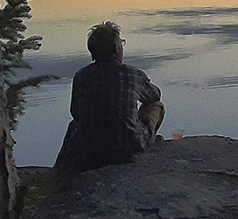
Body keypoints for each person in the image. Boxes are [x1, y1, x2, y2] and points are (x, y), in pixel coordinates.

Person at [54, 21, 165, 173]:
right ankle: (148, 140)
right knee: (156, 106)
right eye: (121, 44)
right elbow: (154, 96)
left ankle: (63, 167)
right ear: (116, 49)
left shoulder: (81, 76)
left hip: (90, 145)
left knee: (74, 124)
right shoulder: (133, 75)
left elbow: (76, 113)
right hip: (128, 145)